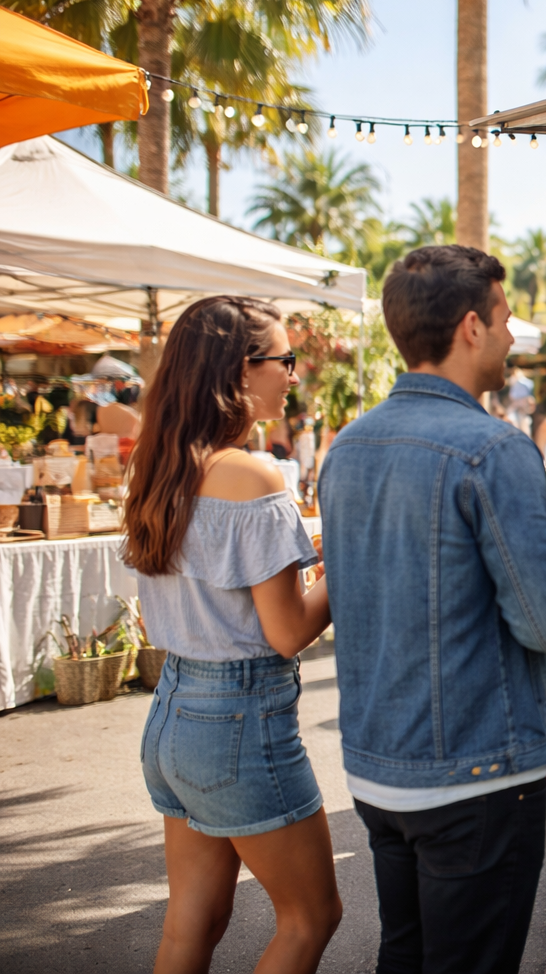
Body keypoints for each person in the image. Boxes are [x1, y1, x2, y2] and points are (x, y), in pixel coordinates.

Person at [320, 245, 546, 974]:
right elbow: (545, 620)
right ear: (471, 328)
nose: (513, 336)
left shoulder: (346, 449)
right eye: (507, 319)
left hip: (376, 769)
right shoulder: (494, 450)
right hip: (475, 775)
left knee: (406, 955)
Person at [123, 296, 341, 974]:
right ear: (240, 370)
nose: (293, 374)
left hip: (173, 717)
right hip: (239, 720)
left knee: (193, 922)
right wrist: (349, 564)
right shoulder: (251, 473)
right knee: (311, 918)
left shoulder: (160, 468)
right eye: (284, 359)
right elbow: (288, 631)